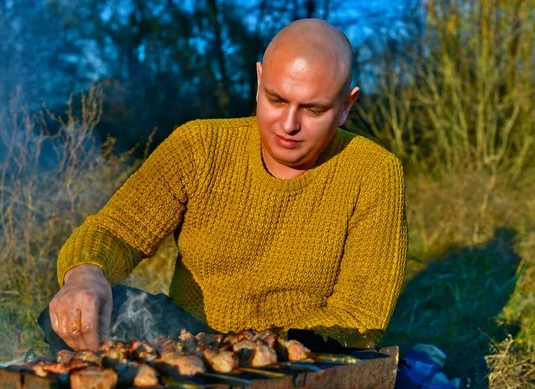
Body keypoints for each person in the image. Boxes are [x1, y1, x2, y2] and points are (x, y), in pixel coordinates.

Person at [47, 18, 407, 354]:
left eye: (313, 110)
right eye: (276, 99)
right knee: (77, 314)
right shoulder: (200, 146)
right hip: (184, 334)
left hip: (301, 351)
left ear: (346, 106)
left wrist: (262, 353)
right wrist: (85, 275)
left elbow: (360, 316)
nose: (288, 125)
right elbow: (117, 231)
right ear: (258, 80)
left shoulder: (374, 173)